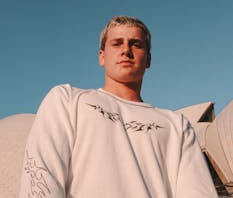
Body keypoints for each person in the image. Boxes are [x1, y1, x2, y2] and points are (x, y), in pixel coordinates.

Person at [19, 15, 218, 198]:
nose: (126, 50)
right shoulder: (67, 100)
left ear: (148, 59)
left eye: (136, 44)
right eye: (116, 43)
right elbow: (42, 176)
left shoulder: (177, 125)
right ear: (101, 56)